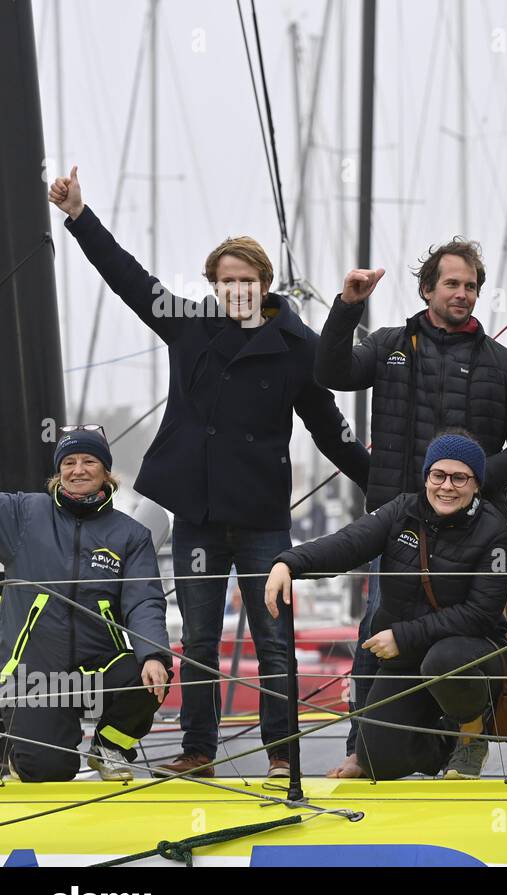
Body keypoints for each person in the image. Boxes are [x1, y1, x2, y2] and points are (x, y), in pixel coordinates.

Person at [49, 167, 369, 780]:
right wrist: (79, 215)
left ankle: (283, 757)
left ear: (264, 284)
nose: (238, 291)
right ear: (214, 286)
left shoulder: (295, 344)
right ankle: (198, 752)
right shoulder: (188, 325)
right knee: (197, 642)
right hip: (196, 513)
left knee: (274, 643)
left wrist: (380, 481)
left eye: (247, 282)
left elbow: (329, 427)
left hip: (263, 520)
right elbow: (128, 279)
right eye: (227, 283)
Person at [314, 240, 507, 778]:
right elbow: (330, 371)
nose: (463, 294)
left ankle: (470, 736)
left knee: (464, 639)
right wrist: (348, 307)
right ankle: (361, 747)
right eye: (452, 284)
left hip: (473, 536)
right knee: (375, 634)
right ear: (426, 289)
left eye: (471, 286)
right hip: (398, 527)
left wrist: (475, 483)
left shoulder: (503, 366)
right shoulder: (389, 345)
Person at [266, 432, 507, 780]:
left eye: (460, 478)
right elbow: (349, 543)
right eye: (438, 475)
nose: (447, 486)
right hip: (411, 654)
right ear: (426, 476)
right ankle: (445, 742)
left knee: (442, 660)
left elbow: (480, 614)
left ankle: (472, 733)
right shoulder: (402, 510)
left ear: (476, 484)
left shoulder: (497, 533)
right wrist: (289, 563)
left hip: (468, 654)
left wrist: (401, 635)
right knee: (377, 759)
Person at [0, 429, 172, 782]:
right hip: (35, 677)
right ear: (58, 472)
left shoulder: (130, 535)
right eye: (69, 462)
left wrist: (154, 654)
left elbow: (144, 600)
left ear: (106, 472)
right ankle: (15, 739)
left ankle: (110, 746)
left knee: (151, 674)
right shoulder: (22, 514)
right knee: (49, 770)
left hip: (97, 669)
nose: (78, 470)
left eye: (89, 461)